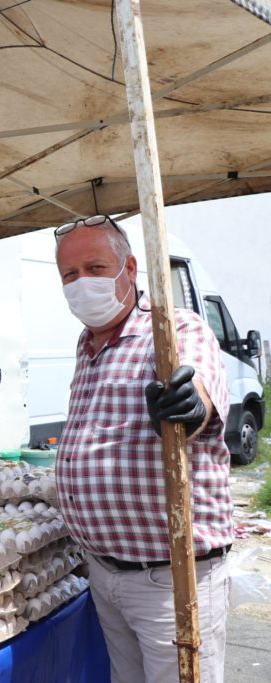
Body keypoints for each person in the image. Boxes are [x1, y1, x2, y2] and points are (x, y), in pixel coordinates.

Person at [53, 215, 232, 683]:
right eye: (69, 275)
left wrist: (190, 408)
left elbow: (199, 391)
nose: (81, 283)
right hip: (107, 575)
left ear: (130, 268)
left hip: (169, 580)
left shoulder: (173, 327)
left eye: (94, 267)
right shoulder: (87, 344)